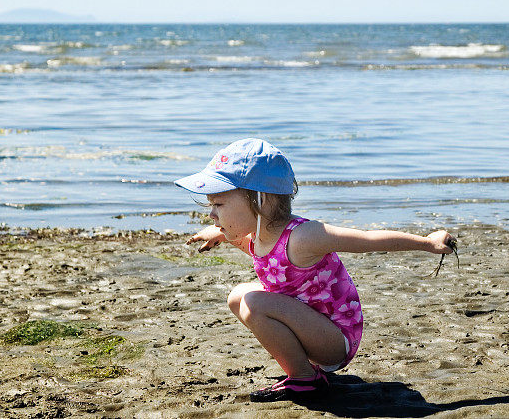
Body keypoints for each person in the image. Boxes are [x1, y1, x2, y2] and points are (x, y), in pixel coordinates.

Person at [174, 138, 456, 402]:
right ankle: (304, 370)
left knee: (253, 301)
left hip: (335, 338)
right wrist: (222, 232)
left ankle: (305, 379)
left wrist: (428, 243)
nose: (211, 214)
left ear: (262, 201)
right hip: (311, 327)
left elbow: (368, 240)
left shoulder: (304, 237)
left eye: (219, 205)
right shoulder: (258, 237)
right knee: (238, 296)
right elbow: (250, 245)